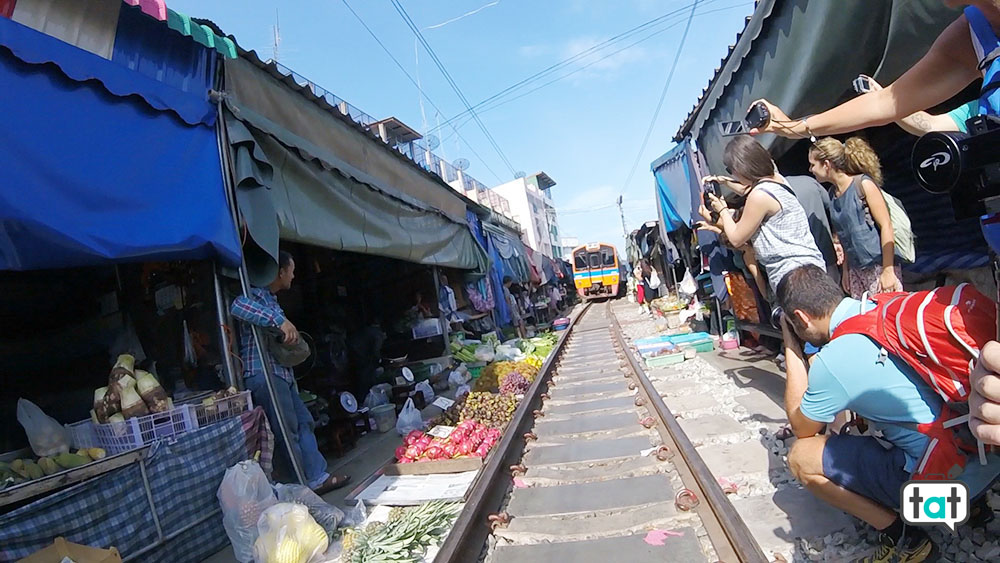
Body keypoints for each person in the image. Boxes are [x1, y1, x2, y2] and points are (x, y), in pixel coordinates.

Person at [776, 265, 1000, 563]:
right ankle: (975, 511)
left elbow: (802, 426)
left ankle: (905, 538)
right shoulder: (884, 305)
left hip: (943, 498)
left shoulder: (833, 360)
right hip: (989, 460)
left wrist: (791, 344)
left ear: (801, 318)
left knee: (801, 456)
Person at [231, 251, 351, 495]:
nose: (294, 276)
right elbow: (238, 306)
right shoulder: (254, 294)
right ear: (280, 272)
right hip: (264, 375)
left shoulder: (271, 300)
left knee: (304, 422)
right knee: (287, 433)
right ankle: (300, 488)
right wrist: (278, 320)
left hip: (280, 376)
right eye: (291, 271)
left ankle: (317, 477)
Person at [696, 135, 826, 297]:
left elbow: (736, 238)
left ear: (741, 168)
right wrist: (723, 181)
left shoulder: (758, 197)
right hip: (807, 265)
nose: (733, 175)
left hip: (793, 274)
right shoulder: (777, 180)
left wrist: (722, 210)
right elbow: (747, 189)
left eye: (731, 170)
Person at [807, 137, 903, 296]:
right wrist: (846, 271)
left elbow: (886, 225)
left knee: (886, 314)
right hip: (855, 270)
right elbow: (845, 235)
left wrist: (888, 270)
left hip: (878, 265)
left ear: (826, 164)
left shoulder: (863, 184)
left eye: (813, 164)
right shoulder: (833, 194)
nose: (811, 169)